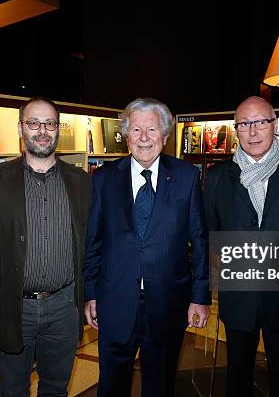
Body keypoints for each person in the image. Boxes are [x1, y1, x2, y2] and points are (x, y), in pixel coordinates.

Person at [83, 97, 210, 397]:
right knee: (111, 383)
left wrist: (200, 297)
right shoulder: (103, 178)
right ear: (126, 135)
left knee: (160, 383)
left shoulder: (186, 177)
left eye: (151, 130)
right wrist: (90, 293)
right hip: (114, 301)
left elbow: (200, 239)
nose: (143, 138)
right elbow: (94, 241)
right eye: (136, 130)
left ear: (165, 136)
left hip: (168, 301)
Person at [0, 96, 91, 397]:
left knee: (55, 389)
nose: (42, 130)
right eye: (33, 123)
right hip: (13, 308)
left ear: (57, 129)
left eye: (50, 123)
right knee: (13, 390)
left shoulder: (82, 183)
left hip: (64, 307)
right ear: (20, 128)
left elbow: (92, 246)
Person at [203, 96, 279, 397]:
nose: (253, 131)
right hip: (238, 299)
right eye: (244, 124)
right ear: (236, 130)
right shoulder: (217, 178)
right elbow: (210, 235)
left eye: (260, 122)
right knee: (237, 377)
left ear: (274, 125)